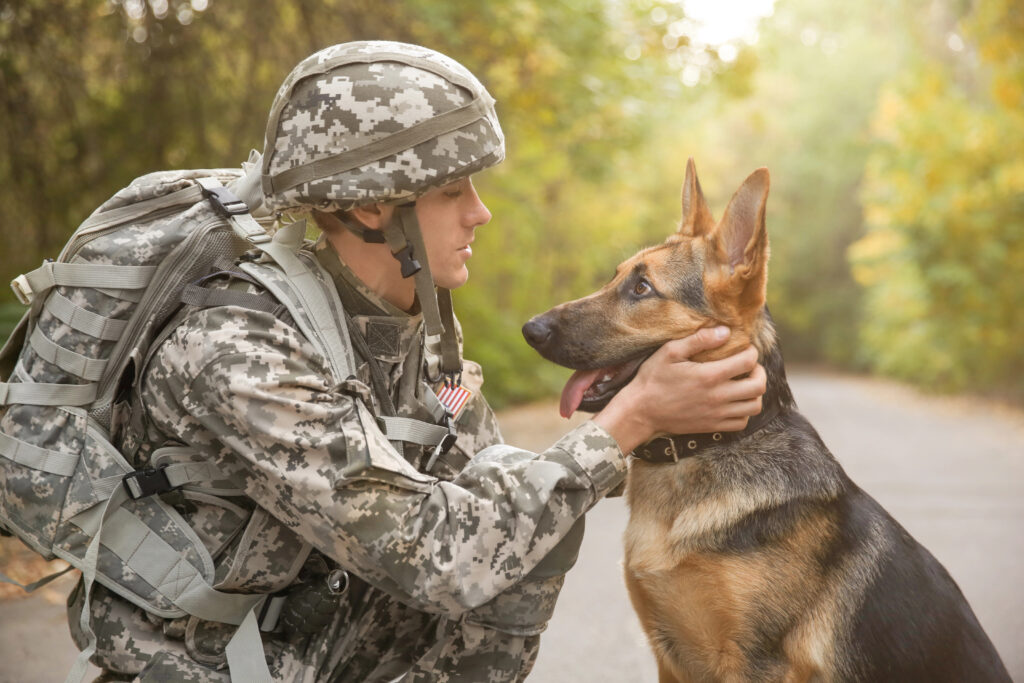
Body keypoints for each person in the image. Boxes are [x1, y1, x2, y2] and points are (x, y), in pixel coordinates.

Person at [68, 41, 766, 682]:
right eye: (452, 191)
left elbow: (495, 491)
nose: (480, 213)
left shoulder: (410, 329)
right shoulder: (239, 350)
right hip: (206, 667)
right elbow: (433, 554)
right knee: (508, 527)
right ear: (375, 206)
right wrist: (631, 420)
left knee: (524, 508)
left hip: (315, 650)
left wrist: (682, 416)